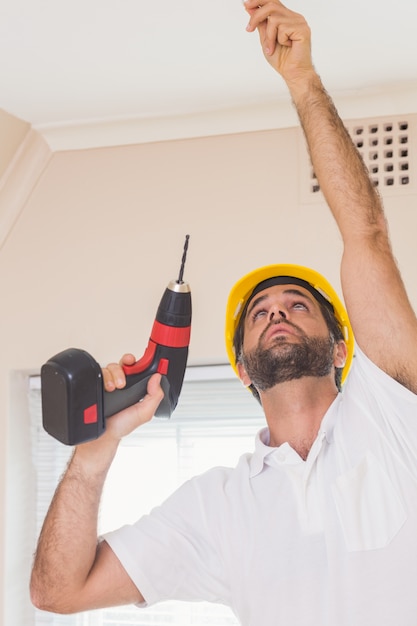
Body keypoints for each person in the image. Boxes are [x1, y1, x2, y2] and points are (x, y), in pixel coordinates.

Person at [30, 1, 417, 624]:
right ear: (241, 368)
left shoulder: (397, 417)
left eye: (298, 304)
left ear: (343, 349)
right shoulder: (219, 507)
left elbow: (365, 232)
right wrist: (92, 455)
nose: (277, 313)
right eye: (260, 312)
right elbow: (58, 592)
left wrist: (303, 81)